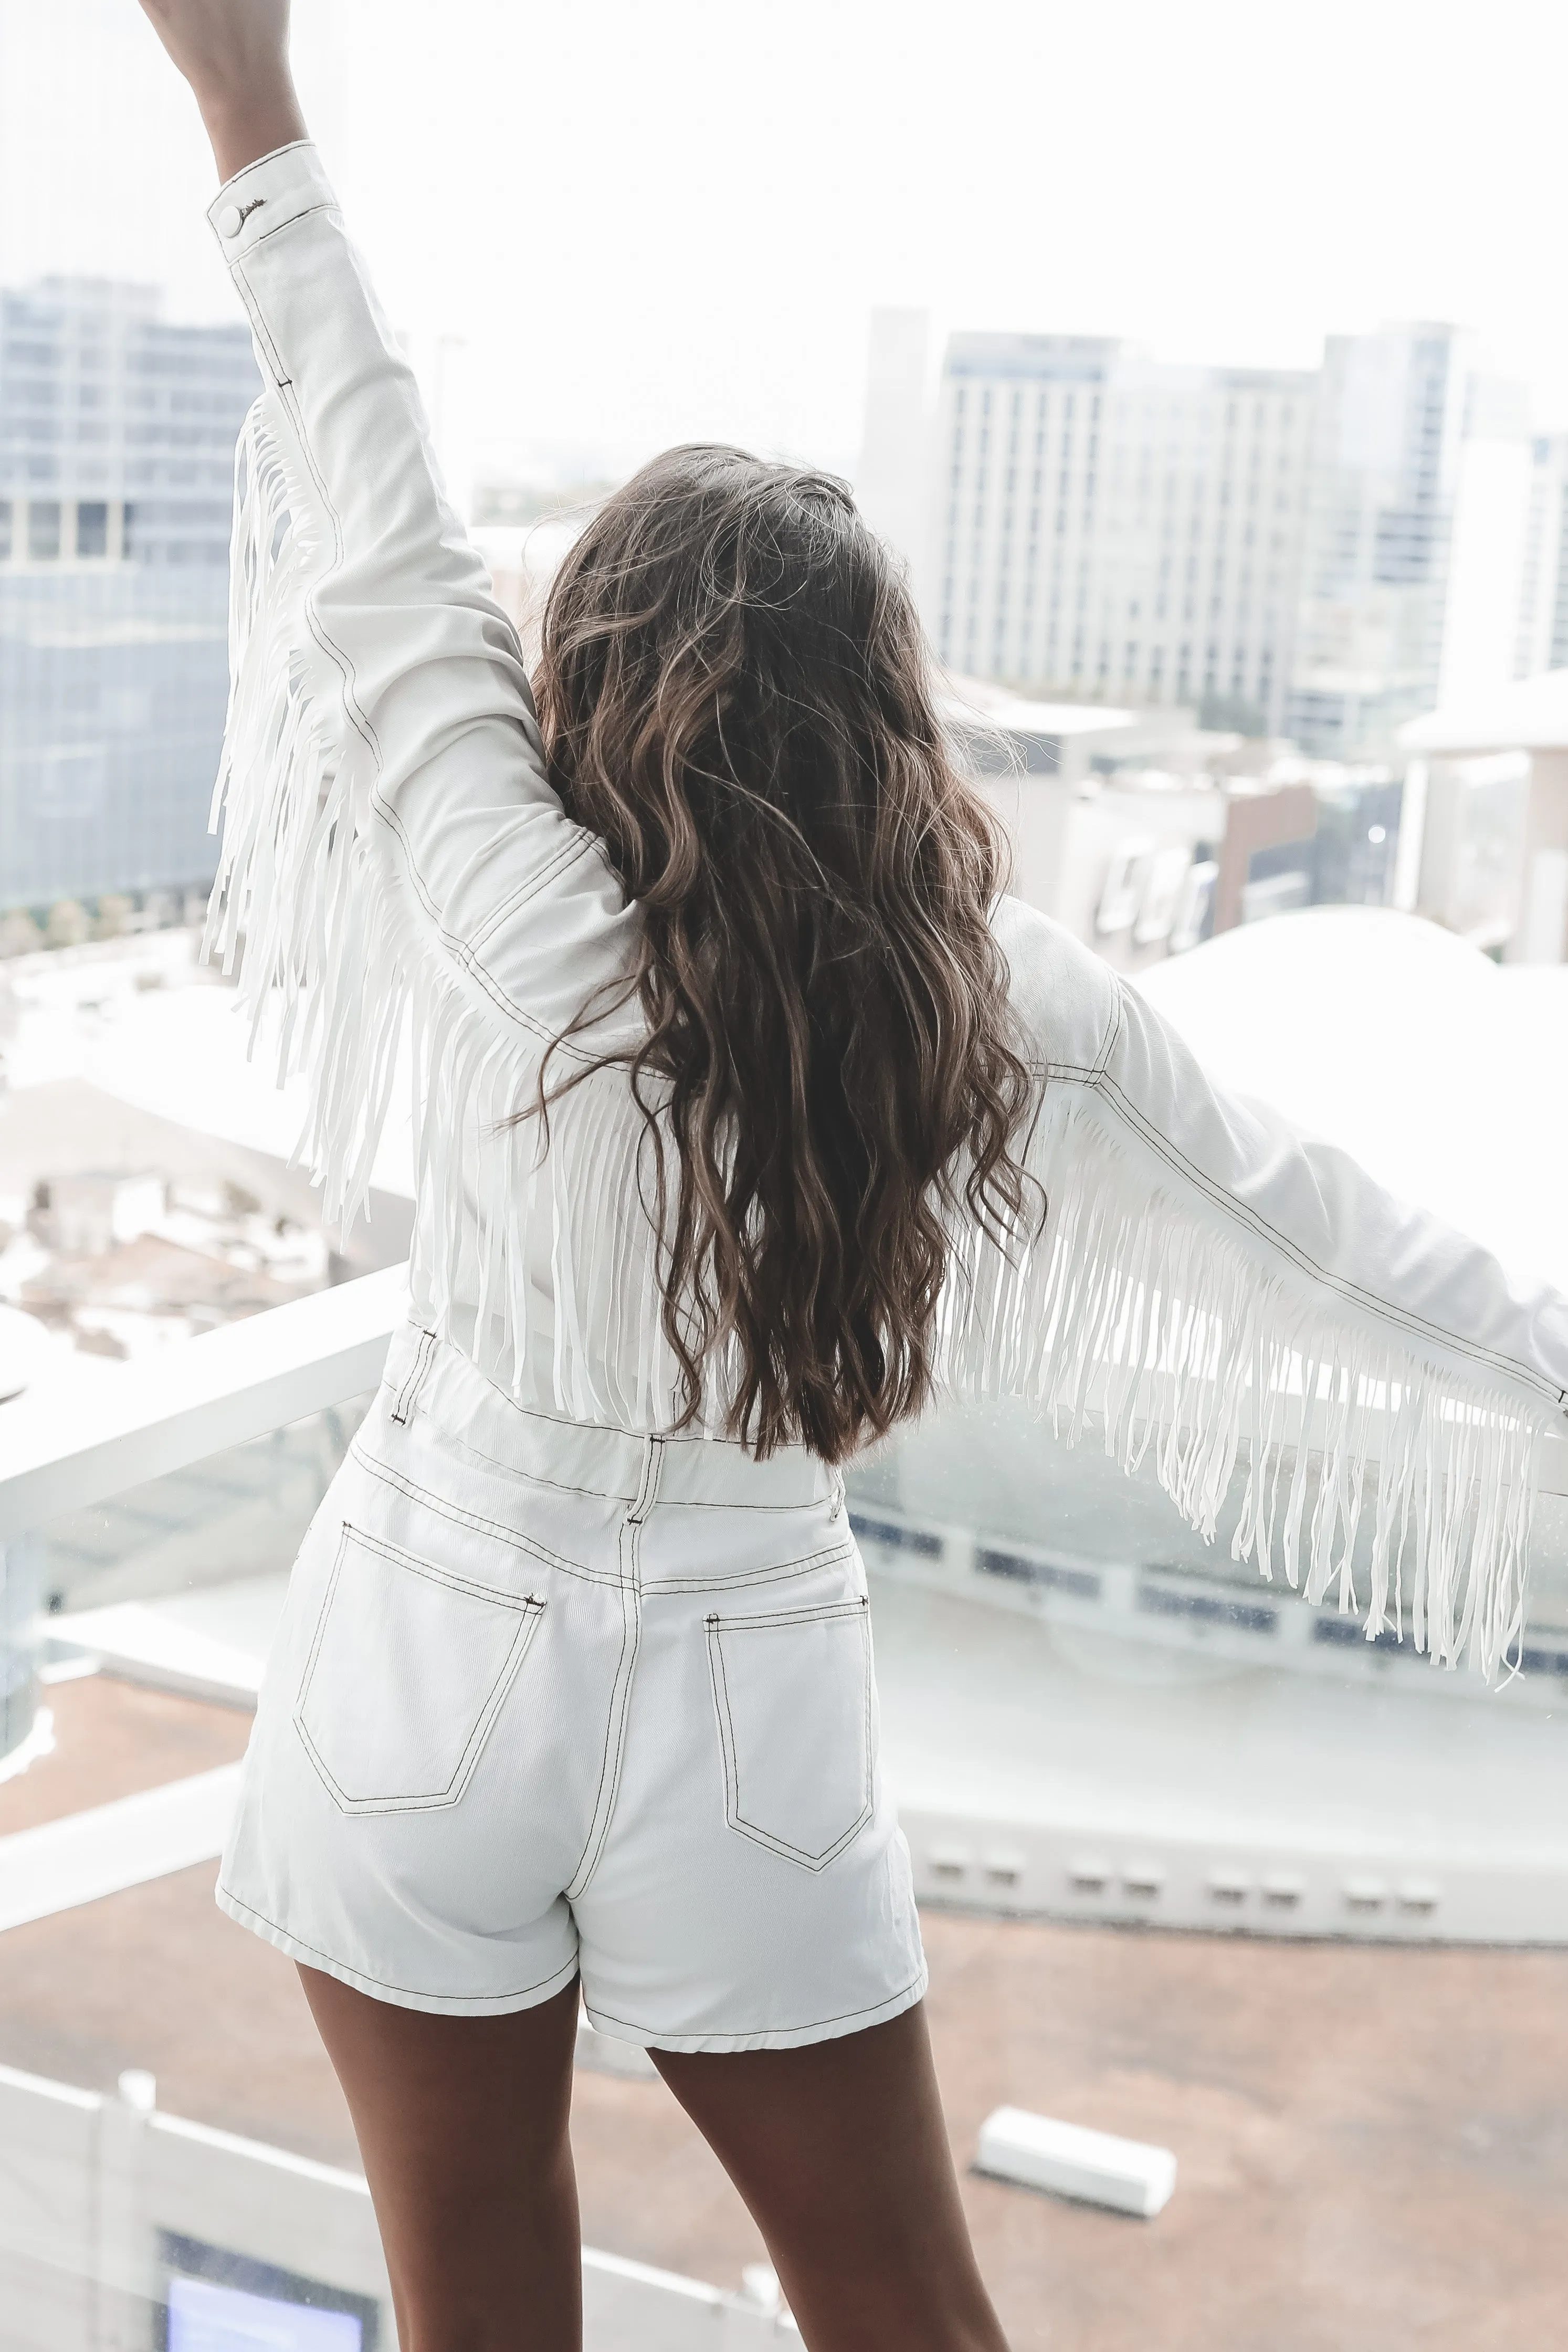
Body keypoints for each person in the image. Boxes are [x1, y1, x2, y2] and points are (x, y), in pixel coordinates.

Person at [137, 5, 1568, 2347]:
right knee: (902, 2302)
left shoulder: (518, 922)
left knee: (470, 2304)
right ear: (879, 723)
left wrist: (246, 102)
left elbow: (377, 518)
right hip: (745, 1707)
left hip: (425, 1671)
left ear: (594, 674)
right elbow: (1335, 1237)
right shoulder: (969, 998)